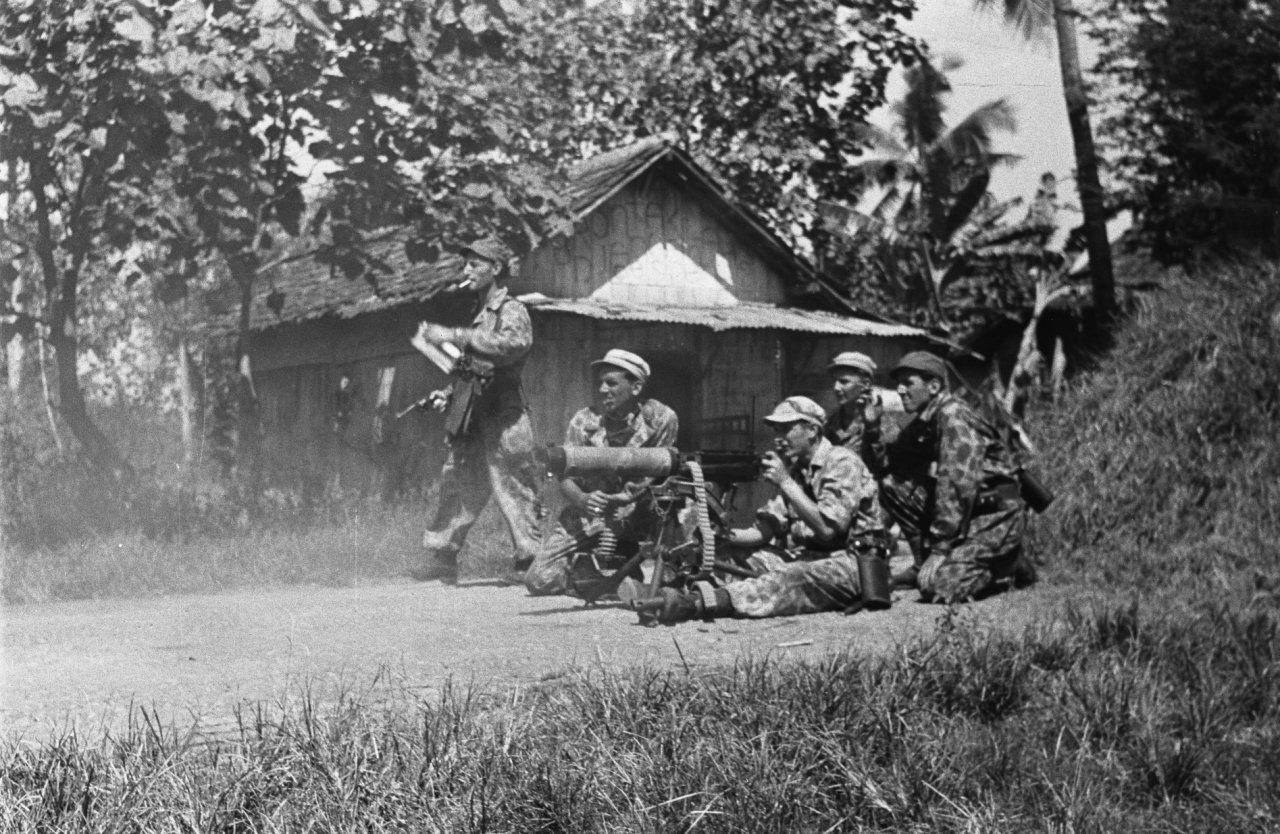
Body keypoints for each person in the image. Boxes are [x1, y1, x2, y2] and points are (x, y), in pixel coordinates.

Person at [651, 395, 886, 622]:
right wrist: (722, 536)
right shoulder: (797, 471)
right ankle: (674, 589)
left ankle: (700, 603)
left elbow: (828, 529)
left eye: (786, 429)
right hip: (811, 557)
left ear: (812, 430)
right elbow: (764, 531)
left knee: (792, 576)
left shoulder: (842, 461)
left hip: (854, 565)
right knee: (724, 555)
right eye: (776, 431)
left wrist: (785, 482)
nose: (778, 438)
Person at [406, 236, 543, 584]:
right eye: (465, 264)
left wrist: (455, 335)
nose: (466, 270)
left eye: (474, 264)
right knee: (457, 481)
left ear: (495, 268)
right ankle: (443, 558)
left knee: (513, 483)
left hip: (504, 412)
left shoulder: (511, 309)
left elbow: (513, 345)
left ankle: (529, 563)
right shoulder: (478, 313)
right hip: (471, 411)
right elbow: (472, 368)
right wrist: (446, 394)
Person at [862, 350, 1035, 603]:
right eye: (898, 384)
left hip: (995, 513)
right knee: (891, 485)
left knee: (939, 587)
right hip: (968, 512)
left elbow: (955, 484)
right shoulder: (927, 419)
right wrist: (872, 426)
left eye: (908, 383)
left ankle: (1008, 562)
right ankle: (923, 564)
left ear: (933, 387)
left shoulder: (953, 416)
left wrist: (941, 547)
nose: (899, 390)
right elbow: (885, 466)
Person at [523, 349, 678, 596]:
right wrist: (582, 499)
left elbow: (663, 473)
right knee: (539, 579)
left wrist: (628, 499)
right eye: (600, 383)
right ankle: (596, 577)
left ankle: (660, 573)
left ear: (636, 387)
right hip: (591, 515)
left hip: (640, 513)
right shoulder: (584, 421)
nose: (603, 389)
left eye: (611, 383)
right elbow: (565, 476)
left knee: (681, 524)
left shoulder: (661, 419)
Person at [824, 351, 879, 455]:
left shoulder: (882, 423)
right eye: (834, 380)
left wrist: (872, 427)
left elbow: (883, 461)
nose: (836, 388)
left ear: (866, 384)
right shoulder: (830, 423)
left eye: (844, 382)